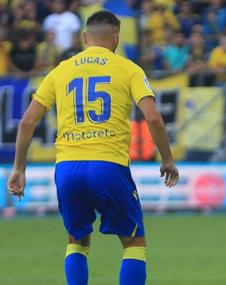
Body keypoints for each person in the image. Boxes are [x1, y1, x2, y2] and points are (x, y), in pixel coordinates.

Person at [6, 11, 179, 285]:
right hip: (108, 165)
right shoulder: (129, 68)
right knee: (134, 242)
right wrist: (167, 159)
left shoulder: (60, 70)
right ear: (116, 39)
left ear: (85, 37)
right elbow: (153, 117)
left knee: (76, 240)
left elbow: (27, 122)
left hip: (67, 168)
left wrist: (19, 168)